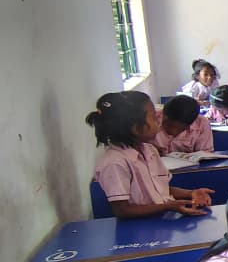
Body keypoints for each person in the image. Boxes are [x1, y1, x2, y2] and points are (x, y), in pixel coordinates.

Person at [86, 91, 214, 218]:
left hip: (163, 221)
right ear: (136, 128)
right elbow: (122, 210)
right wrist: (168, 206)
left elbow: (160, 190)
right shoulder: (115, 162)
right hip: (141, 228)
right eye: (153, 117)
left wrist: (190, 193)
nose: (159, 122)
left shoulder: (149, 150)